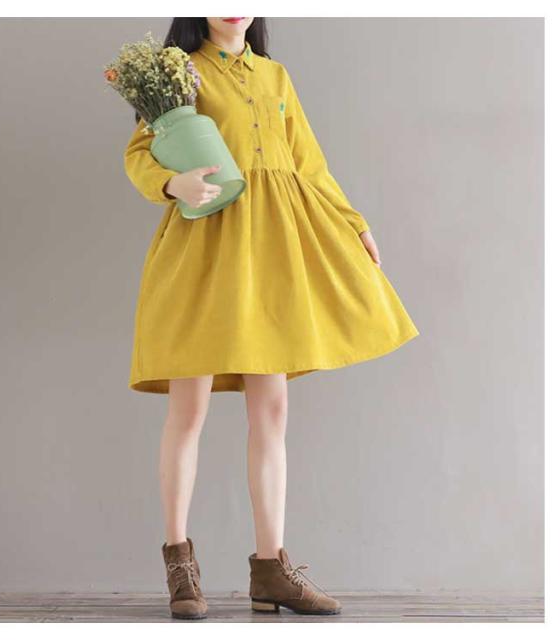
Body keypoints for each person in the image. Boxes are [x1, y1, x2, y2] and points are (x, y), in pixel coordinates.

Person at [122, 17, 419, 619]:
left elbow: (309, 162)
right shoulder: (180, 72)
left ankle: (271, 569)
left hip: (273, 248)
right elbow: (138, 152)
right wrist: (171, 183)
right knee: (189, 409)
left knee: (273, 409)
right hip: (204, 250)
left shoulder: (276, 75)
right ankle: (180, 565)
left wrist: (354, 222)